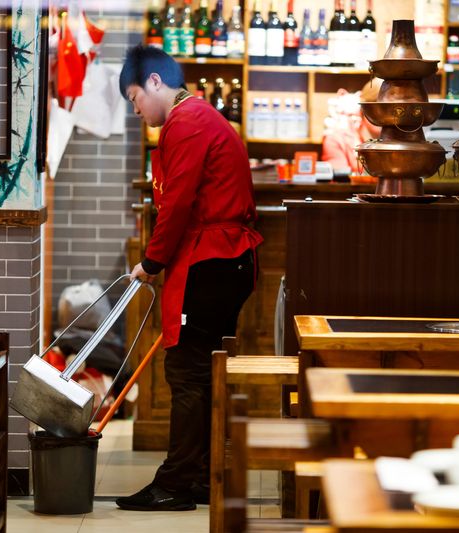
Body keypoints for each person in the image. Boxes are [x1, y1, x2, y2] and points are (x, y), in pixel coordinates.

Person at [115, 45, 263, 511]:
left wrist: (152, 261)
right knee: (199, 372)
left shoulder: (187, 122)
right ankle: (196, 476)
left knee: (186, 371)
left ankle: (176, 483)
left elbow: (176, 202)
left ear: (155, 82)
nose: (138, 111)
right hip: (221, 260)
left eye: (135, 99)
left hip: (212, 260)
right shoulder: (194, 117)